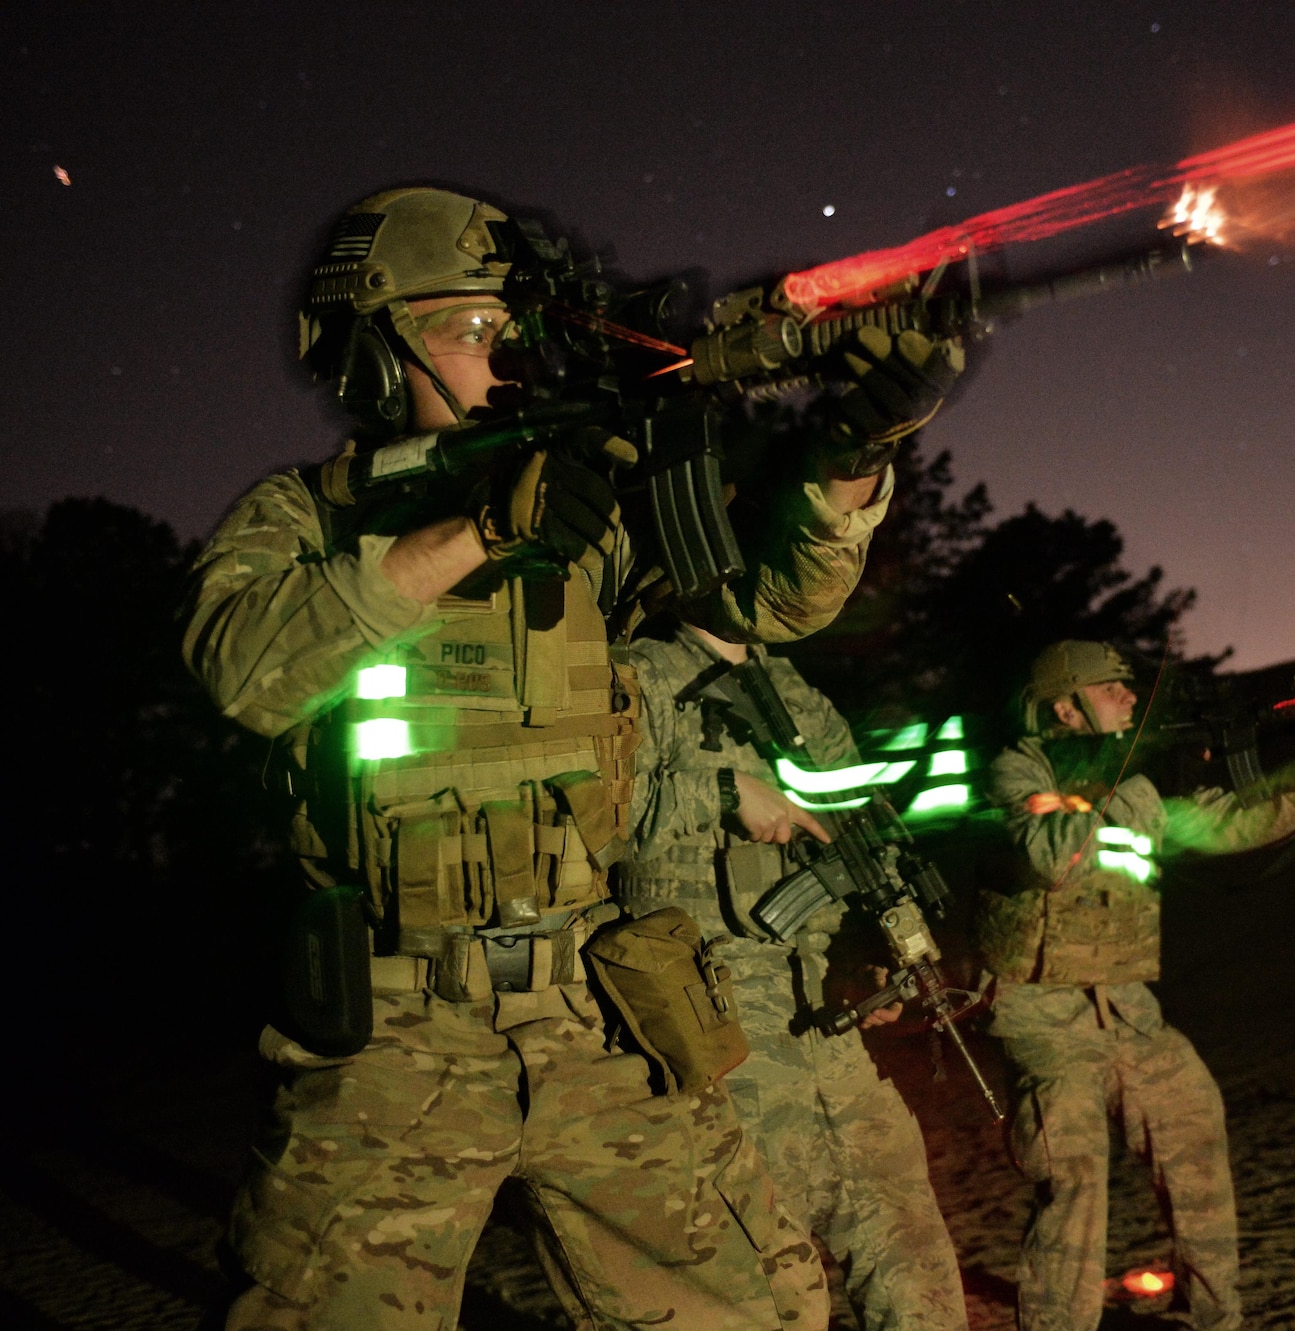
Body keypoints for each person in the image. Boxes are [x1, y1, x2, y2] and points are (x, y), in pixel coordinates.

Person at [183, 186, 960, 1330]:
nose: (505, 361)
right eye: (470, 331)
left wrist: (852, 458)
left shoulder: (585, 517)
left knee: (766, 1307)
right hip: (400, 1032)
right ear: (372, 347)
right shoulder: (306, 517)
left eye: (516, 333)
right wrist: (477, 532)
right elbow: (244, 667)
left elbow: (771, 600)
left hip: (594, 1006)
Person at [612, 619, 972, 1331]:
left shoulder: (795, 692)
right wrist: (718, 791)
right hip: (717, 1043)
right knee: (765, 1300)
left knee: (919, 1272)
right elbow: (584, 818)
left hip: (826, 1042)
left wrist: (858, 964)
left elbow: (852, 833)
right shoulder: (634, 671)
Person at [980, 641, 1295, 1331]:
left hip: (1128, 1010)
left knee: (1194, 1120)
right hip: (1042, 1014)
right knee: (1073, 1168)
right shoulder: (1014, 770)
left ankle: (1212, 1316)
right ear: (1066, 706)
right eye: (1115, 689)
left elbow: (1216, 820)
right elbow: (1049, 858)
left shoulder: (1130, 784)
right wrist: (1111, 775)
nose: (1133, 700)